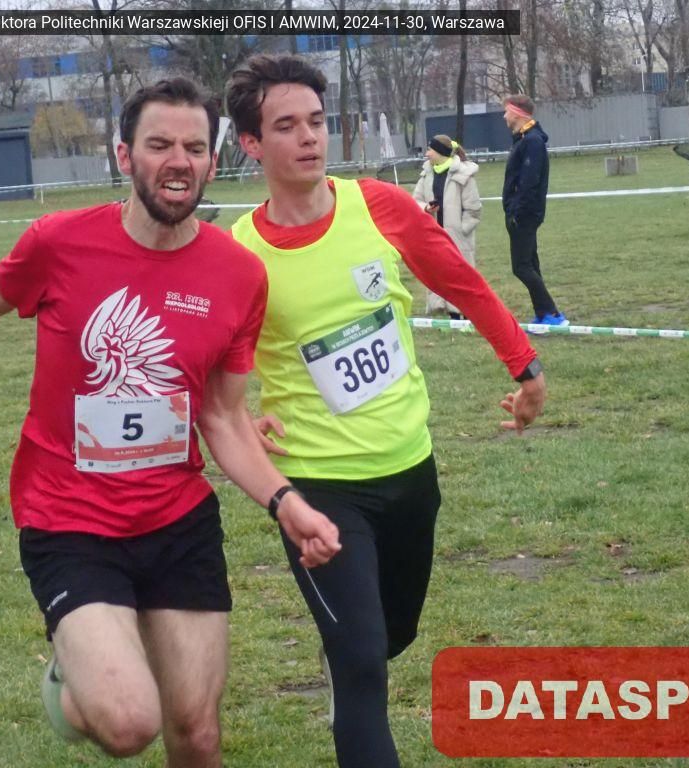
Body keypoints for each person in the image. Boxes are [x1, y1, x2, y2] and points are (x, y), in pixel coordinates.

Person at [0, 77, 340, 767]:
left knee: (197, 730)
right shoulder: (58, 242)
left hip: (177, 521)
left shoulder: (239, 274)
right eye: (160, 145)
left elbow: (222, 417)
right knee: (130, 723)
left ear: (213, 161)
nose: (179, 161)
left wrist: (286, 503)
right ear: (124, 155)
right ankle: (75, 681)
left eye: (194, 147)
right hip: (69, 520)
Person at [225, 54, 547, 768]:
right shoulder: (238, 253)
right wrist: (236, 416)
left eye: (316, 121)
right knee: (363, 659)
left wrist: (525, 369)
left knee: (392, 635)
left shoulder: (378, 207)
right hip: (316, 485)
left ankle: (352, 657)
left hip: (408, 469)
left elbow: (462, 284)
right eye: (286, 126)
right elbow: (212, 364)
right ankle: (349, 671)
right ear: (251, 144)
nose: (309, 137)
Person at [502, 94, 569, 328]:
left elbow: (529, 182)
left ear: (517, 113)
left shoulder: (532, 142)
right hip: (520, 212)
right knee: (530, 264)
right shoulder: (523, 139)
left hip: (525, 214)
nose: (504, 116)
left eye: (506, 111)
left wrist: (516, 211)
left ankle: (553, 313)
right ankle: (543, 314)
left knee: (521, 267)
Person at [412, 134, 482, 320]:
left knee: (461, 276)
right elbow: (415, 200)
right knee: (439, 273)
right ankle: (446, 311)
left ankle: (465, 313)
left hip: (458, 237)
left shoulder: (464, 175)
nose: (427, 154)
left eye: (430, 150)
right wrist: (426, 208)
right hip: (435, 235)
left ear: (440, 152)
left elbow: (474, 209)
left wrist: (462, 229)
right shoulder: (426, 174)